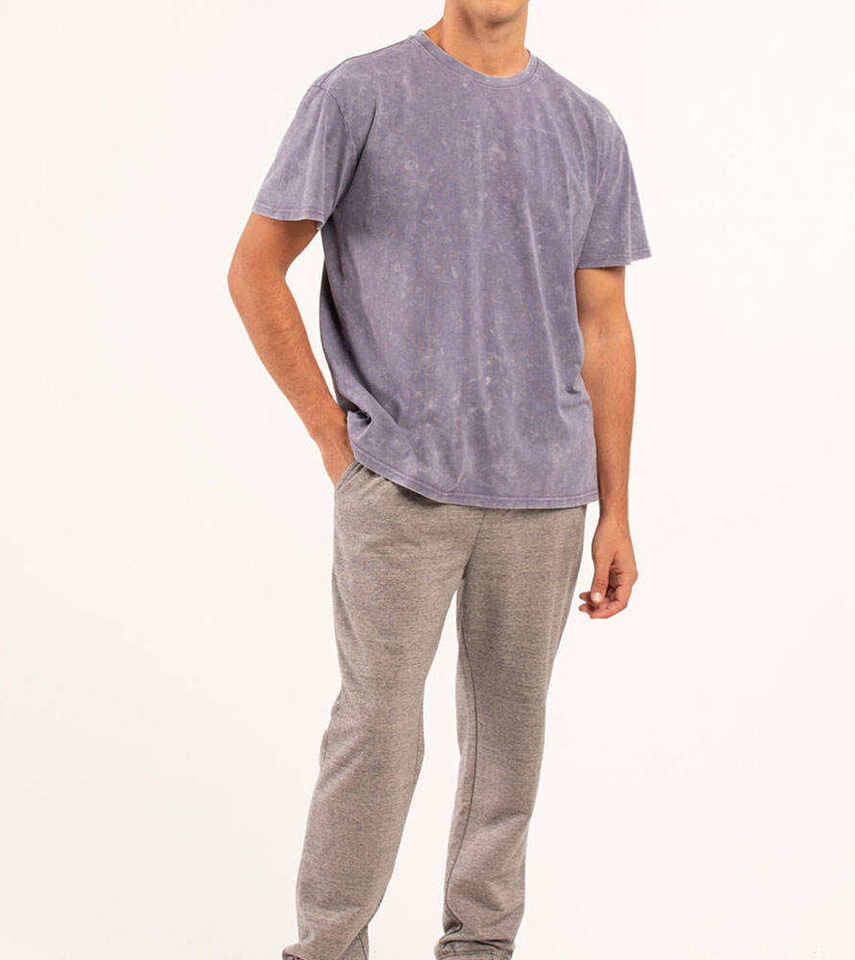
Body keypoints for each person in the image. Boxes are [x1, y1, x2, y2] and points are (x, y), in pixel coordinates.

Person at [227, 3, 650, 959]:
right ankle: (328, 948)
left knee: (510, 744)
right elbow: (255, 271)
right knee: (376, 732)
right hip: (401, 483)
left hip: (545, 492)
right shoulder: (361, 95)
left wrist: (616, 508)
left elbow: (605, 323)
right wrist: (339, 446)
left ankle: (480, 948)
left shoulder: (587, 126)